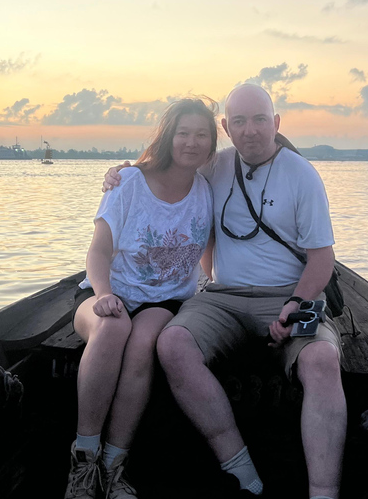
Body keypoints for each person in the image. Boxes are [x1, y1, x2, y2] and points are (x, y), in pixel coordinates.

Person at [104, 84, 346, 499]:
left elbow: (321, 261)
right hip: (224, 296)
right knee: (173, 343)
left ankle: (323, 492)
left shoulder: (302, 175)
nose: (250, 131)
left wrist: (294, 303)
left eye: (259, 120)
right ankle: (241, 469)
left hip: (289, 293)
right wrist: (127, 171)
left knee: (322, 360)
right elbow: (165, 173)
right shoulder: (215, 166)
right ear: (226, 128)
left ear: (277, 123)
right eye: (239, 122)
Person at [66, 98, 217, 499]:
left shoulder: (207, 190)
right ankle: (83, 462)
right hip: (106, 291)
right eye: (183, 133)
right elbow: (98, 251)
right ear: (168, 137)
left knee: (143, 341)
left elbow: (210, 256)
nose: (191, 142)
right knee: (114, 329)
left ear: (212, 142)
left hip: (164, 300)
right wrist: (105, 294)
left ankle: (115, 465)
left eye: (201, 134)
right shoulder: (128, 183)